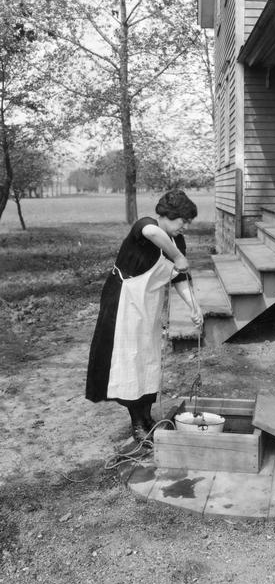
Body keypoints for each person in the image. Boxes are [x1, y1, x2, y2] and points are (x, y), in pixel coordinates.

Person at [85, 189, 203, 442]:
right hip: (123, 301)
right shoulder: (145, 227)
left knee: (148, 359)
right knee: (128, 360)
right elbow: (154, 235)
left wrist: (194, 307)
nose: (186, 226)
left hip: (148, 304)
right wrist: (178, 255)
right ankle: (137, 423)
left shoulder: (177, 241)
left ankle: (147, 417)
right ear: (167, 216)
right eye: (183, 221)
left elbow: (179, 276)